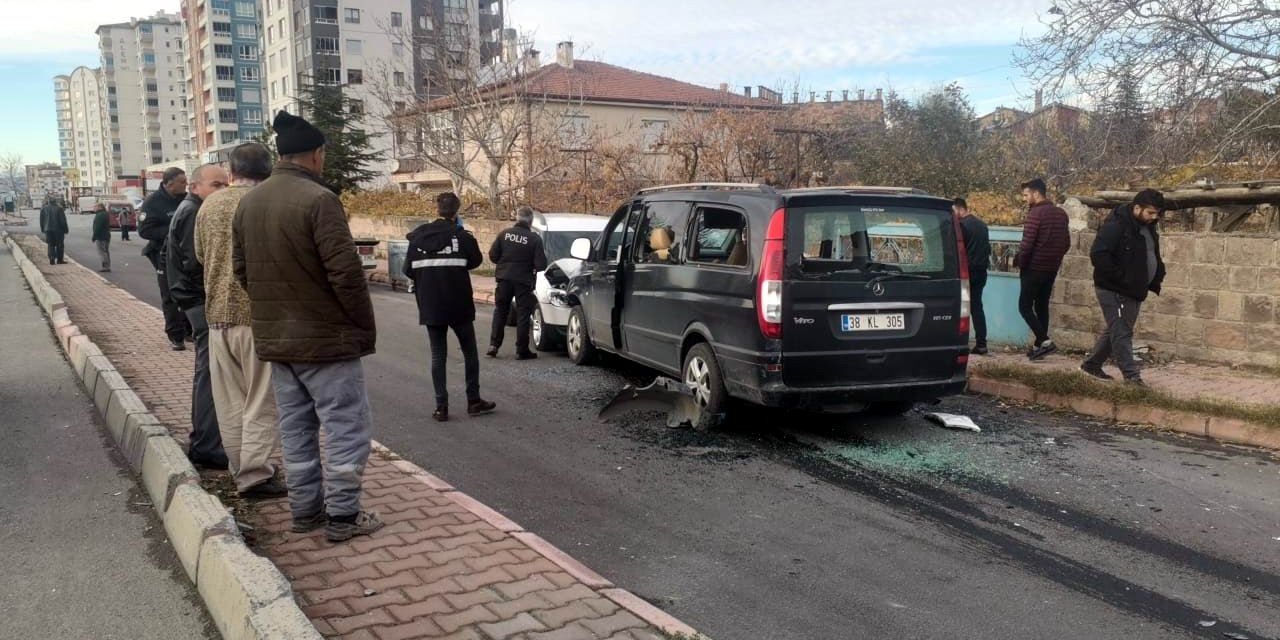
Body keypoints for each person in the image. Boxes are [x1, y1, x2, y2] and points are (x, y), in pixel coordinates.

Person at [233, 111, 382, 542]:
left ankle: (305, 512)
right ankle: (342, 517)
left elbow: (243, 272)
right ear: (316, 155)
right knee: (345, 428)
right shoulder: (320, 201)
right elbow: (346, 275)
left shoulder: (250, 203)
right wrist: (359, 324)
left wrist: (275, 309)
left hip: (279, 343)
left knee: (296, 430)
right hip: (327, 342)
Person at [196, 144, 287, 499]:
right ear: (268, 172)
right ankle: (256, 475)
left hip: (218, 316)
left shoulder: (210, 205)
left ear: (231, 172)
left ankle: (241, 469)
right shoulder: (265, 203)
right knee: (261, 401)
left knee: (231, 401)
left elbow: (201, 256)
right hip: (258, 316)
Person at [404, 192, 497, 422]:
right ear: (456, 212)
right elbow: (475, 261)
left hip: (431, 305)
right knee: (470, 352)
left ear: (437, 209)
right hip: (459, 304)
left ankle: (441, 407)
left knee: (438, 355)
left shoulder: (417, 239)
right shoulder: (462, 237)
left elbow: (407, 270)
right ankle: (473, 400)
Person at [167, 164, 231, 471]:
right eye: (216, 185)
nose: (222, 191)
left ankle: (205, 440)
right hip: (200, 302)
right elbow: (198, 263)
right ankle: (206, 444)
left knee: (207, 372)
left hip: (191, 300)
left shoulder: (189, 207)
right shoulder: (195, 212)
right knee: (209, 374)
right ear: (195, 187)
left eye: (225, 185)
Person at [1080, 189, 1167, 386]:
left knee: (1117, 329)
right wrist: (1122, 279)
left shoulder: (1148, 227)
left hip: (1135, 289)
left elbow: (1150, 253)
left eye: (1157, 214)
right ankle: (1132, 378)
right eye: (1150, 213)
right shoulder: (1116, 226)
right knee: (1122, 332)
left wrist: (1157, 273)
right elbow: (1098, 255)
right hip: (1114, 289)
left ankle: (1091, 365)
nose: (1154, 217)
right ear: (1137, 208)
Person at [1015, 178, 1070, 361]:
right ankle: (1039, 347)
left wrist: (1021, 263)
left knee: (1024, 306)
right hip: (1051, 269)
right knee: (1041, 306)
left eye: (1025, 194)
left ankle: (1045, 341)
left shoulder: (1036, 214)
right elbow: (1066, 243)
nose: (1024, 199)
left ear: (1036, 193)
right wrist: (1054, 259)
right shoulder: (1061, 214)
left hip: (1033, 268)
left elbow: (1027, 245)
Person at [140, 167, 194, 351]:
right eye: (182, 182)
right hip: (162, 253)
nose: (185, 184)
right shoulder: (153, 202)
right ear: (169, 184)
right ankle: (175, 335)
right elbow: (145, 230)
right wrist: (173, 232)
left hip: (185, 252)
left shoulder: (187, 199)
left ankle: (189, 330)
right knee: (170, 295)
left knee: (190, 291)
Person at [487, 206, 547, 360]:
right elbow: (541, 265)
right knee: (523, 314)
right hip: (523, 281)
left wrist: (505, 262)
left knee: (500, 312)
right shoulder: (534, 239)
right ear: (531, 221)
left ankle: (493, 346)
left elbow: (493, 256)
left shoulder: (504, 234)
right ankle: (522, 350)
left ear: (517, 218)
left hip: (504, 279)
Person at [954, 198, 991, 355]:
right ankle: (981, 344)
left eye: (953, 211)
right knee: (977, 308)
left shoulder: (962, 225)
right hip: (981, 273)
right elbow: (987, 249)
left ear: (960, 209)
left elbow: (958, 250)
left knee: (959, 308)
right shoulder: (982, 225)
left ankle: (958, 343)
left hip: (966, 274)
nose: (953, 215)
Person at [40, 196, 69, 265]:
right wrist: (65, 230)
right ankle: (59, 260)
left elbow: (41, 220)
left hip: (48, 230)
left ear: (48, 202)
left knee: (50, 244)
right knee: (60, 245)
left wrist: (43, 229)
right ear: (55, 202)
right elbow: (63, 221)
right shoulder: (59, 209)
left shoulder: (43, 209)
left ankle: (51, 258)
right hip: (58, 230)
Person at [91, 203, 111, 272]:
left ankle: (105, 266)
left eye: (95, 207)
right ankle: (107, 266)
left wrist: (94, 237)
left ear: (99, 207)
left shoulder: (99, 215)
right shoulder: (105, 214)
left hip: (101, 236)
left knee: (102, 252)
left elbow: (97, 227)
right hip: (106, 235)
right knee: (106, 251)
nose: (93, 208)